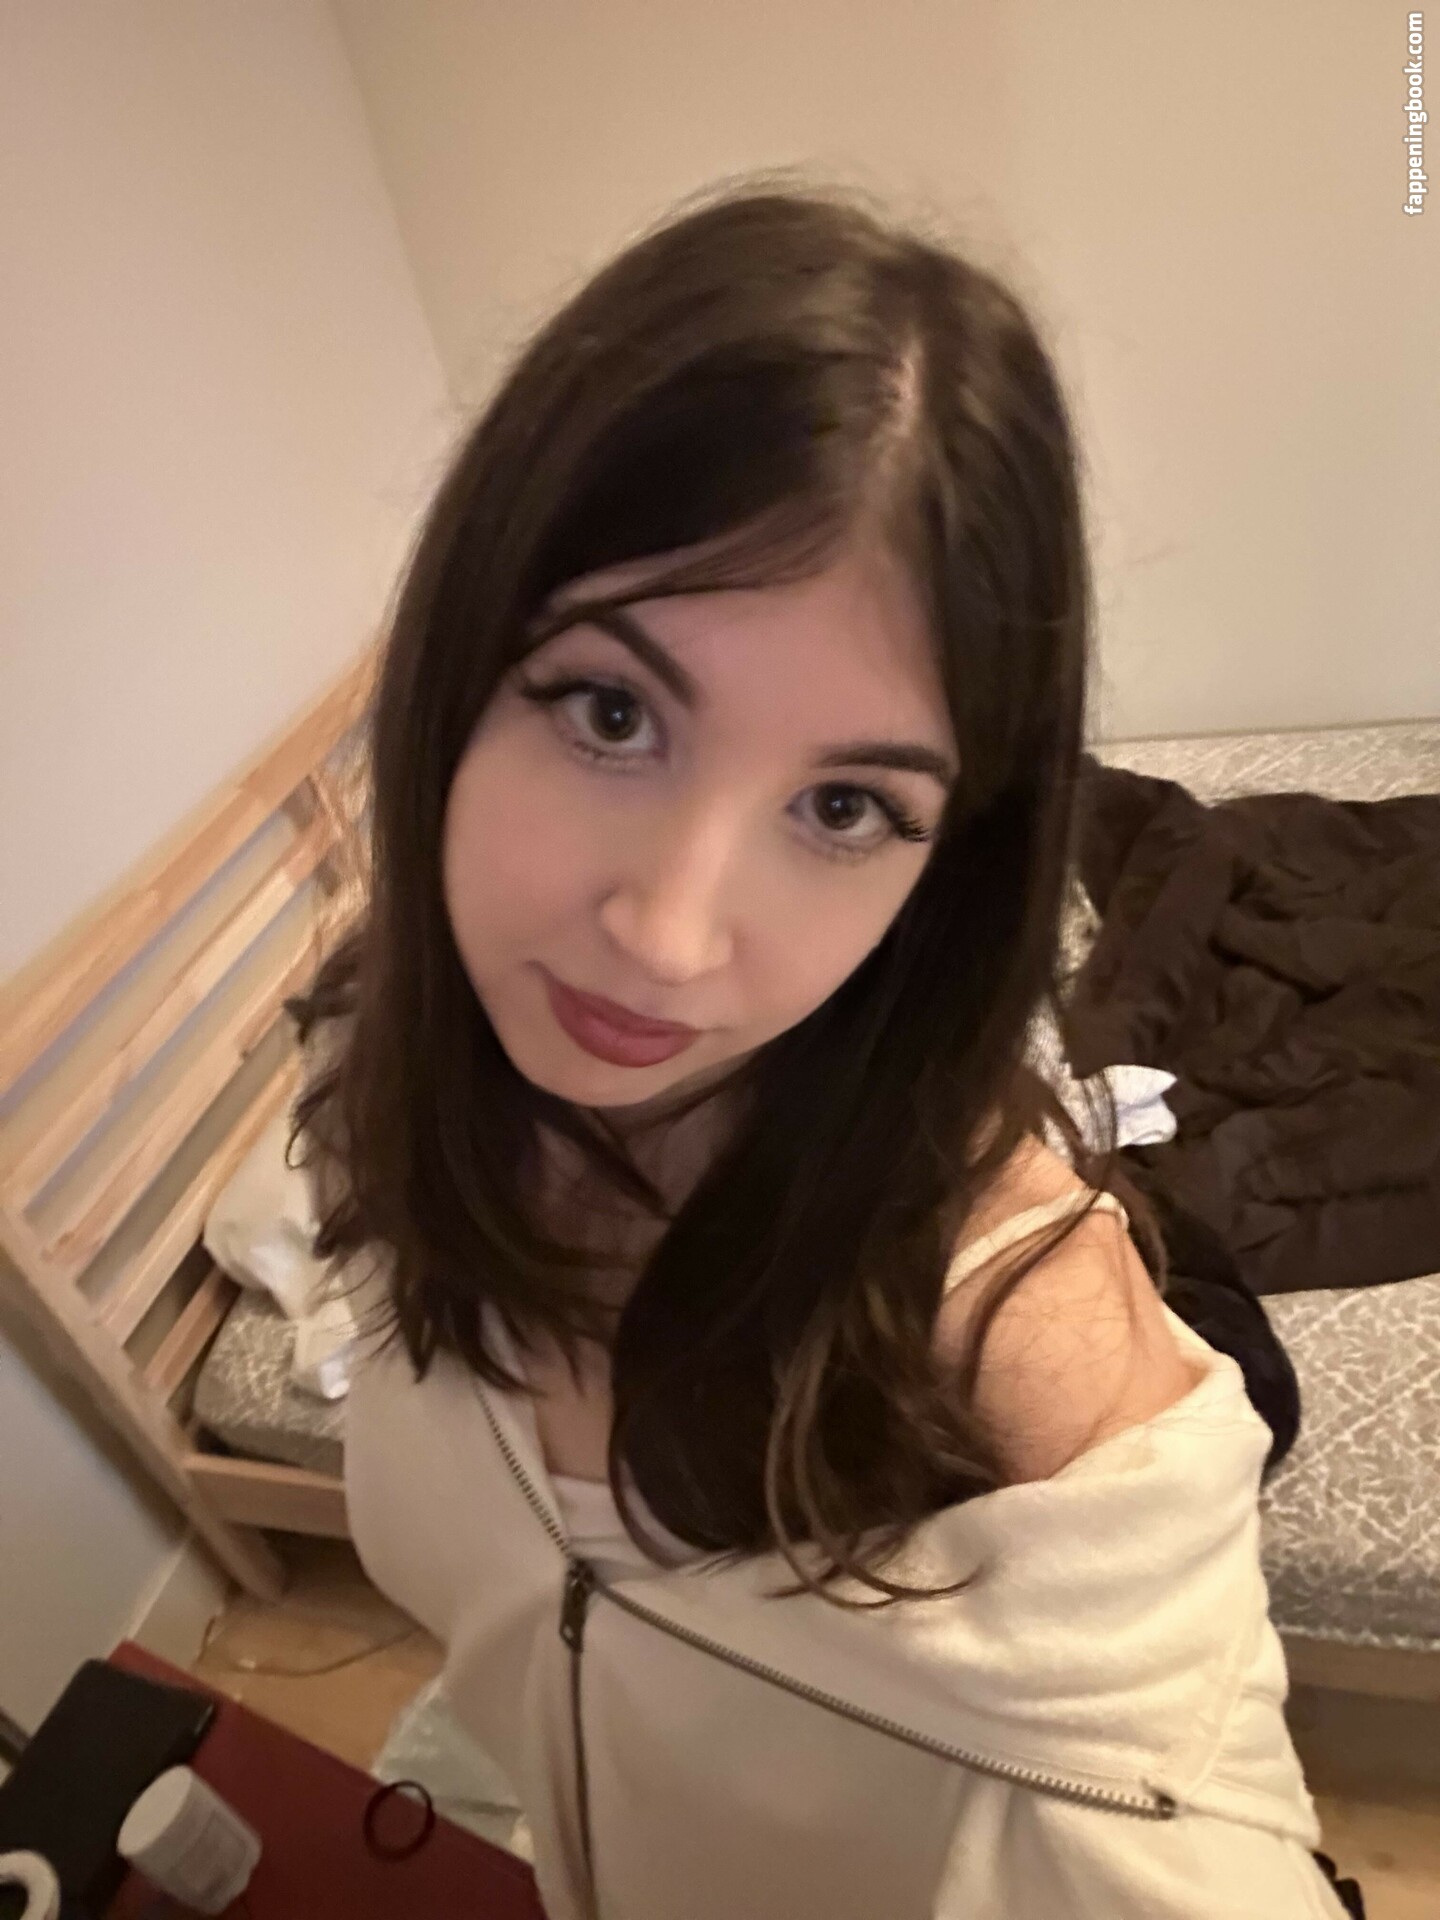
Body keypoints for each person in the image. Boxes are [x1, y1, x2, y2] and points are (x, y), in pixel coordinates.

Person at [292, 176, 1358, 1919]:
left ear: (950, 863)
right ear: (456, 668)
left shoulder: (1014, 1343)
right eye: (612, 712)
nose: (670, 933)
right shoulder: (378, 1082)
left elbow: (1188, 1814)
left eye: (846, 805)